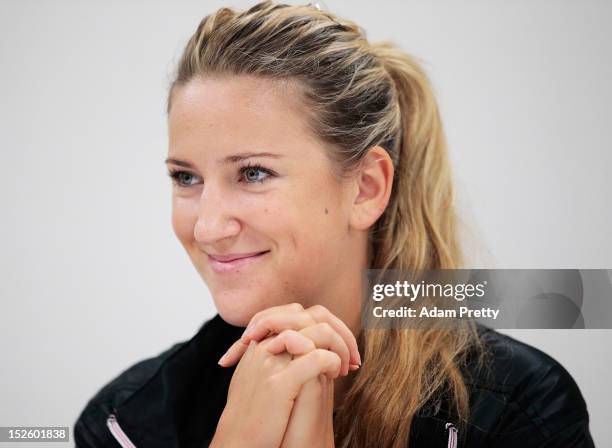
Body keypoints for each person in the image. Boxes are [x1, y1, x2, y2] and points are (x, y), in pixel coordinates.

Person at [74, 1, 595, 447]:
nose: (207, 227)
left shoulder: (519, 412)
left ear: (366, 188)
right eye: (186, 177)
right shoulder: (123, 423)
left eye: (253, 173)